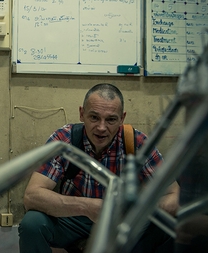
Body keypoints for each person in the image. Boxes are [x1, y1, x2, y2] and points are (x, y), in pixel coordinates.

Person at [18, 83, 180, 253]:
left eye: (111, 119)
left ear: (122, 118)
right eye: (94, 117)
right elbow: (32, 196)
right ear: (82, 114)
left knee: (179, 225)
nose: (102, 128)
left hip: (123, 222)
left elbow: (174, 196)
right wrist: (87, 207)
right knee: (32, 224)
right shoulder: (64, 139)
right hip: (74, 219)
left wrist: (137, 210)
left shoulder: (137, 143)